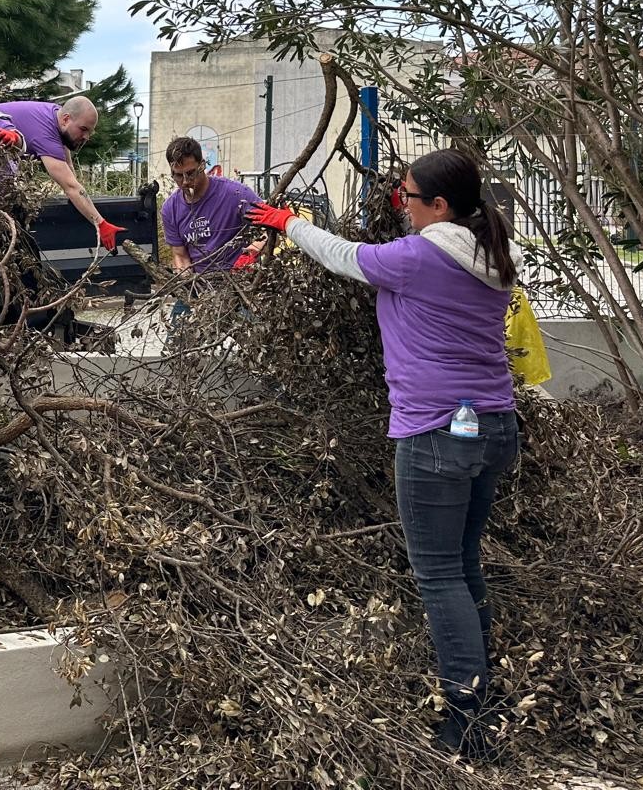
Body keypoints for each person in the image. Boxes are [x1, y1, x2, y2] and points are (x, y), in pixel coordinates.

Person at [245, 149, 520, 760]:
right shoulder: (493, 254)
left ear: (439, 206)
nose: (401, 205)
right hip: (494, 425)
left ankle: (466, 721)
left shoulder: (423, 256)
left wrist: (290, 224)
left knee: (439, 573)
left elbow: (347, 258)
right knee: (463, 562)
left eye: (407, 196)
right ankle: (486, 698)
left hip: (436, 431)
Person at [0, 94, 124, 252]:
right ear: (66, 119)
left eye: (90, 132)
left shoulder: (54, 115)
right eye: (83, 129)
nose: (87, 137)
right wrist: (101, 223)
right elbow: (70, 186)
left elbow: (66, 163)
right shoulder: (45, 133)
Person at [161, 136, 264, 276]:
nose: (185, 182)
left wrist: (248, 256)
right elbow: (180, 256)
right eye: (178, 175)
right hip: (201, 285)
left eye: (190, 173)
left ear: (202, 165)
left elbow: (270, 233)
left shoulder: (237, 194)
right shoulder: (170, 209)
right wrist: (185, 283)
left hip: (240, 280)